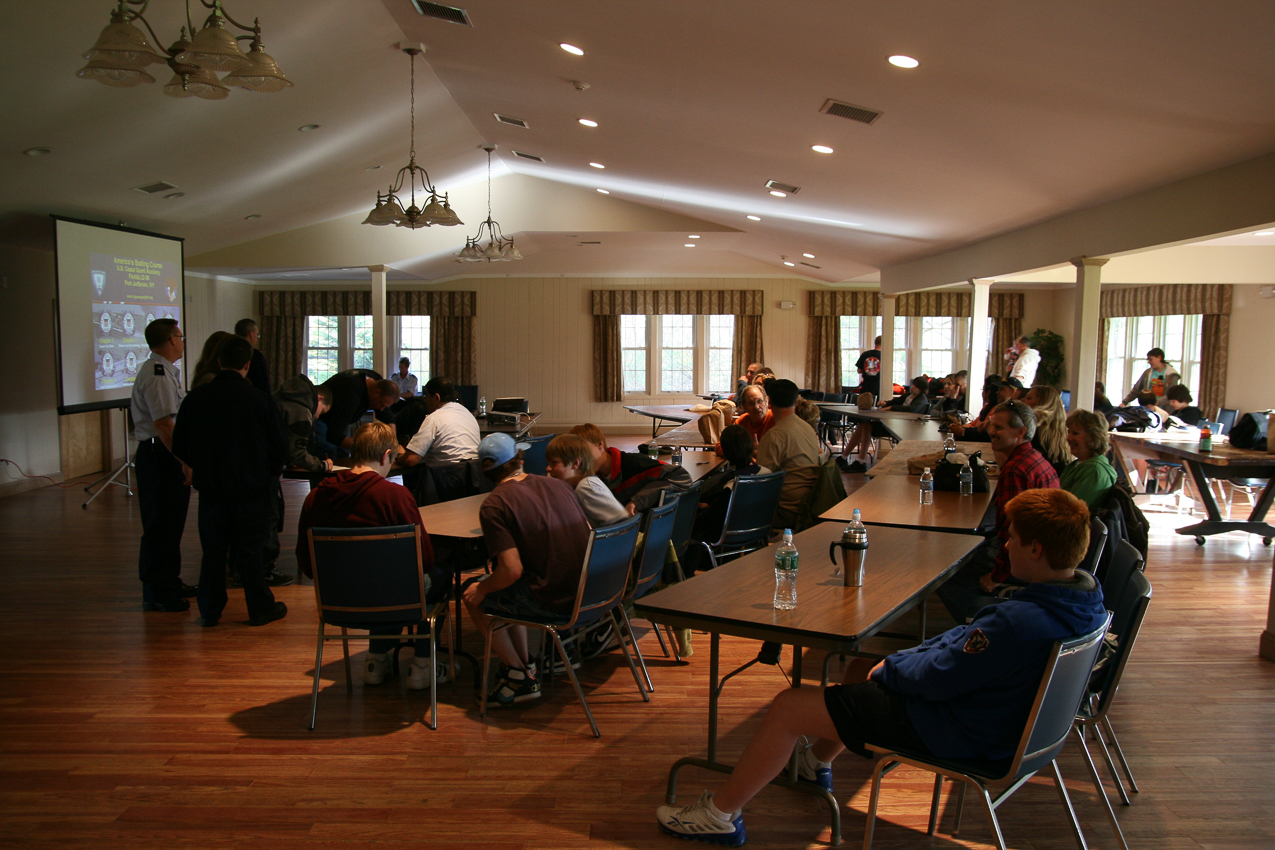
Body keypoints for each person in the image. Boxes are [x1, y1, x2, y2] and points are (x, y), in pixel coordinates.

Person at [655, 488, 1107, 845]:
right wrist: (894, 663)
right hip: (1004, 727)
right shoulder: (1083, 603)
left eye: (1013, 538)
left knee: (789, 706)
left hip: (963, 731)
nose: (1006, 544)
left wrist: (893, 671)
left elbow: (944, 675)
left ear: (1036, 548)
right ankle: (814, 763)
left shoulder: (1018, 623)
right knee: (859, 668)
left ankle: (719, 815)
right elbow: (958, 649)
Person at [295, 422, 449, 690]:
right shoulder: (394, 496)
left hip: (337, 601)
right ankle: (423, 666)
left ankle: (376, 661)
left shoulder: (315, 497)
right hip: (393, 598)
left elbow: (307, 565)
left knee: (378, 580)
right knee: (436, 577)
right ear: (386, 456)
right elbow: (424, 560)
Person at [462, 433, 592, 708]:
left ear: (484, 472)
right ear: (520, 460)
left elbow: (511, 570)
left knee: (473, 593)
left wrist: (481, 588)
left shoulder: (495, 504)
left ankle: (517, 674)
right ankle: (525, 664)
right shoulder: (557, 485)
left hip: (557, 602)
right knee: (508, 586)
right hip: (591, 593)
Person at [171, 335, 288, 628]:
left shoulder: (197, 398)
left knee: (213, 552)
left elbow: (180, 445)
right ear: (247, 365)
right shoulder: (260, 399)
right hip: (252, 490)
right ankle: (259, 609)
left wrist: (202, 468)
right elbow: (279, 448)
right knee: (251, 553)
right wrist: (267, 475)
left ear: (219, 361)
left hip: (212, 490)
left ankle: (209, 610)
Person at [937, 400, 1060, 622]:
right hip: (1046, 551)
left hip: (1030, 557)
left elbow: (1010, 531)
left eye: (999, 427)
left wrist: (997, 576)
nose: (991, 431)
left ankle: (978, 627)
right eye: (992, 425)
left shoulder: (1016, 470)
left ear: (1020, 432)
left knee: (944, 569)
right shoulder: (1034, 458)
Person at [131, 318, 195, 613]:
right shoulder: (157, 374)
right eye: (180, 337)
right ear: (171, 340)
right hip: (160, 455)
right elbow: (164, 425)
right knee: (160, 525)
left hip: (164, 453)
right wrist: (184, 460)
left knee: (171, 523)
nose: (182, 342)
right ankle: (157, 592)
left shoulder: (165, 371)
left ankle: (170, 580)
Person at [568, 423, 692, 512]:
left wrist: (637, 501)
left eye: (584, 451)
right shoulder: (587, 479)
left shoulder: (635, 464)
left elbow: (680, 476)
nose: (580, 460)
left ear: (600, 444)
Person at [396, 376, 482, 503]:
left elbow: (411, 460)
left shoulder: (434, 418)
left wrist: (400, 454)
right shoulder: (468, 414)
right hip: (472, 479)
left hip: (444, 483)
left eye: (427, 396)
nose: (425, 401)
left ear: (437, 397)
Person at [756, 379, 821, 530]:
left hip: (785, 510)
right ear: (796, 401)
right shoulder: (807, 428)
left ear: (769, 402)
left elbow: (760, 482)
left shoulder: (774, 435)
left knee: (725, 509)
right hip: (810, 503)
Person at [544, 434, 632, 527]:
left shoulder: (586, 487)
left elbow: (621, 524)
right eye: (548, 463)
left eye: (554, 463)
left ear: (576, 463)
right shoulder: (577, 485)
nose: (548, 468)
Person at [317, 368, 399, 451]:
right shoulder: (350, 393)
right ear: (376, 392)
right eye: (382, 404)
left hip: (342, 419)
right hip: (323, 418)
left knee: (344, 452)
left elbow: (388, 417)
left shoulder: (377, 382)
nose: (381, 409)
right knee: (329, 451)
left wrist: (393, 442)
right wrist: (370, 449)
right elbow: (333, 435)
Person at [1060, 409, 1118, 510]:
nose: (1068, 438)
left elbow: (1071, 510)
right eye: (1069, 432)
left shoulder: (1094, 470)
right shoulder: (1078, 464)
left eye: (1075, 433)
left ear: (1093, 437)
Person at [1022, 385, 1073, 475]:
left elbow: (1027, 463)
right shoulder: (1062, 430)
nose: (1022, 400)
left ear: (1043, 403)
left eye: (1029, 398)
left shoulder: (1035, 427)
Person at [730, 384, 774, 449]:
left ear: (767, 401)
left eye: (759, 401)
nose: (756, 407)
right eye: (751, 403)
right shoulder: (742, 421)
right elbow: (721, 446)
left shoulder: (776, 419)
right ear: (744, 406)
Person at [235, 318, 270, 393]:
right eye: (257, 335)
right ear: (251, 334)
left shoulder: (228, 351)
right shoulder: (256, 356)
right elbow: (263, 385)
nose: (257, 338)